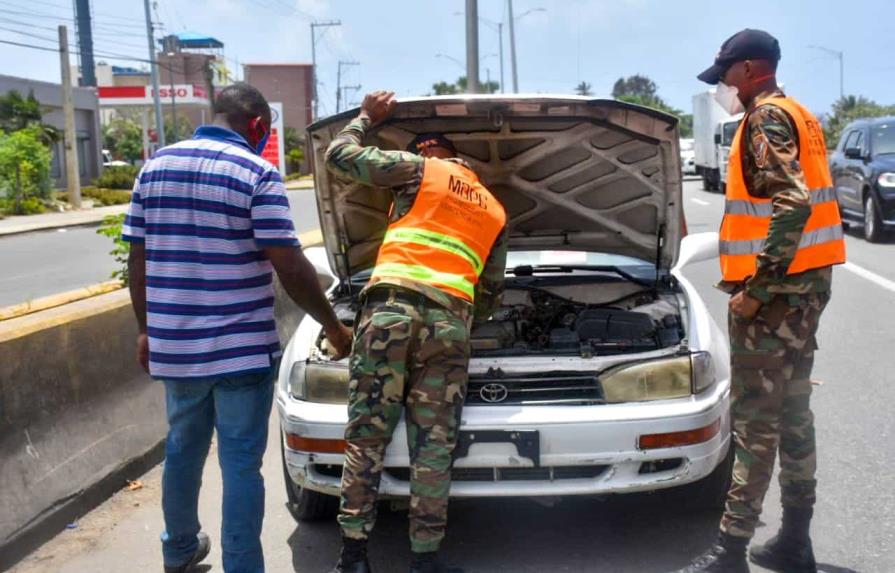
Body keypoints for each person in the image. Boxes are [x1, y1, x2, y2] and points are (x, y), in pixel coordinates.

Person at [122, 82, 352, 573]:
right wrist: (332, 326)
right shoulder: (256, 173)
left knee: (182, 448)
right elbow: (289, 265)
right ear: (257, 126)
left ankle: (179, 549)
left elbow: (135, 261)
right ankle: (243, 565)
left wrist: (146, 330)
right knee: (241, 464)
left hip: (177, 346)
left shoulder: (154, 167)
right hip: (242, 350)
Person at [676, 30, 846, 573]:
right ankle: (795, 542)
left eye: (727, 73)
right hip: (807, 289)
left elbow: (792, 201)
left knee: (755, 420)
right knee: (794, 413)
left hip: (775, 298)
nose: (723, 85)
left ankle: (730, 552)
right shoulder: (802, 115)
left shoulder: (766, 119)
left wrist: (759, 287)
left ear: (750, 70)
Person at [324, 91, 508, 573]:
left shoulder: (418, 169)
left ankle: (354, 558)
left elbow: (338, 156)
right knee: (434, 446)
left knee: (368, 436)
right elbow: (491, 293)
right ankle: (425, 561)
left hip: (390, 314)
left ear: (431, 153)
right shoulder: (493, 208)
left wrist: (366, 118)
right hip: (450, 324)